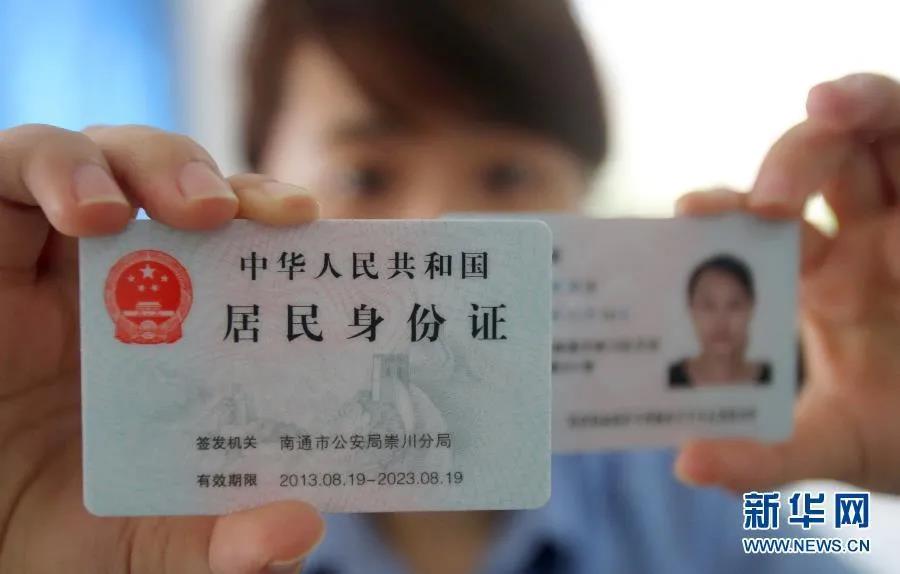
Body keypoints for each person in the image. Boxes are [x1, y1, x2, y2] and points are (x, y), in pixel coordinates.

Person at [0, 0, 898, 572]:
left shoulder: (698, 491)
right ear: (254, 180)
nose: (440, 227)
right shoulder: (150, 493)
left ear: (583, 200)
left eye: (507, 175)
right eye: (367, 174)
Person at [669, 253, 772, 388]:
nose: (721, 322)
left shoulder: (775, 378)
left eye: (734, 305)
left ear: (751, 308)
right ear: (691, 310)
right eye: (708, 306)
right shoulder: (670, 378)